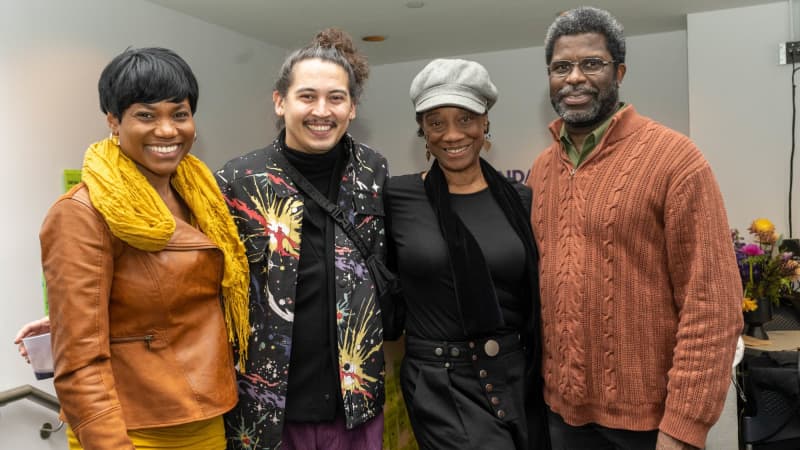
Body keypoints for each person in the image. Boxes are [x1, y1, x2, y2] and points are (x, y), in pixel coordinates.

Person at [528, 7, 743, 450]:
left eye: (591, 64)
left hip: (649, 427)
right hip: (560, 418)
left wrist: (683, 426)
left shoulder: (675, 160)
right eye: (561, 67)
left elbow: (713, 305)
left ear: (619, 71)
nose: (574, 78)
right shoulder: (541, 170)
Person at [32, 47, 250, 450]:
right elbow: (79, 363)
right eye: (146, 115)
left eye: (179, 113)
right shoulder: (82, 213)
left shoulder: (202, 197)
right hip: (130, 428)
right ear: (114, 122)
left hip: (203, 417)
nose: (167, 130)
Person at [216, 29, 388, 449]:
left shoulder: (373, 172)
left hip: (356, 402)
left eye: (336, 98)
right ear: (280, 102)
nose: (321, 111)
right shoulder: (238, 180)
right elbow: (196, 275)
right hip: (265, 407)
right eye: (307, 96)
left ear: (352, 107)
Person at [384, 58, 548, 449]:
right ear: (422, 129)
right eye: (436, 122)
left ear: (485, 121)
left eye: (466, 119)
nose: (452, 134)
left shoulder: (519, 199)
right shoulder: (397, 197)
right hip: (440, 383)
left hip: (516, 374)